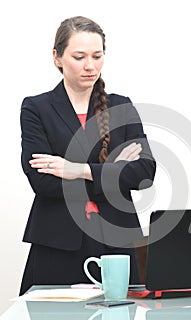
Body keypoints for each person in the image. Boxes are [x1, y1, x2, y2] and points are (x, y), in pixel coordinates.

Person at [19, 16, 156, 295]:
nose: (90, 66)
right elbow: (42, 181)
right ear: (57, 58)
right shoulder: (36, 109)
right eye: (79, 57)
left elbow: (143, 174)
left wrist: (78, 169)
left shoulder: (121, 107)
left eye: (97, 55)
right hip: (57, 241)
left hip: (117, 240)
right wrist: (113, 171)